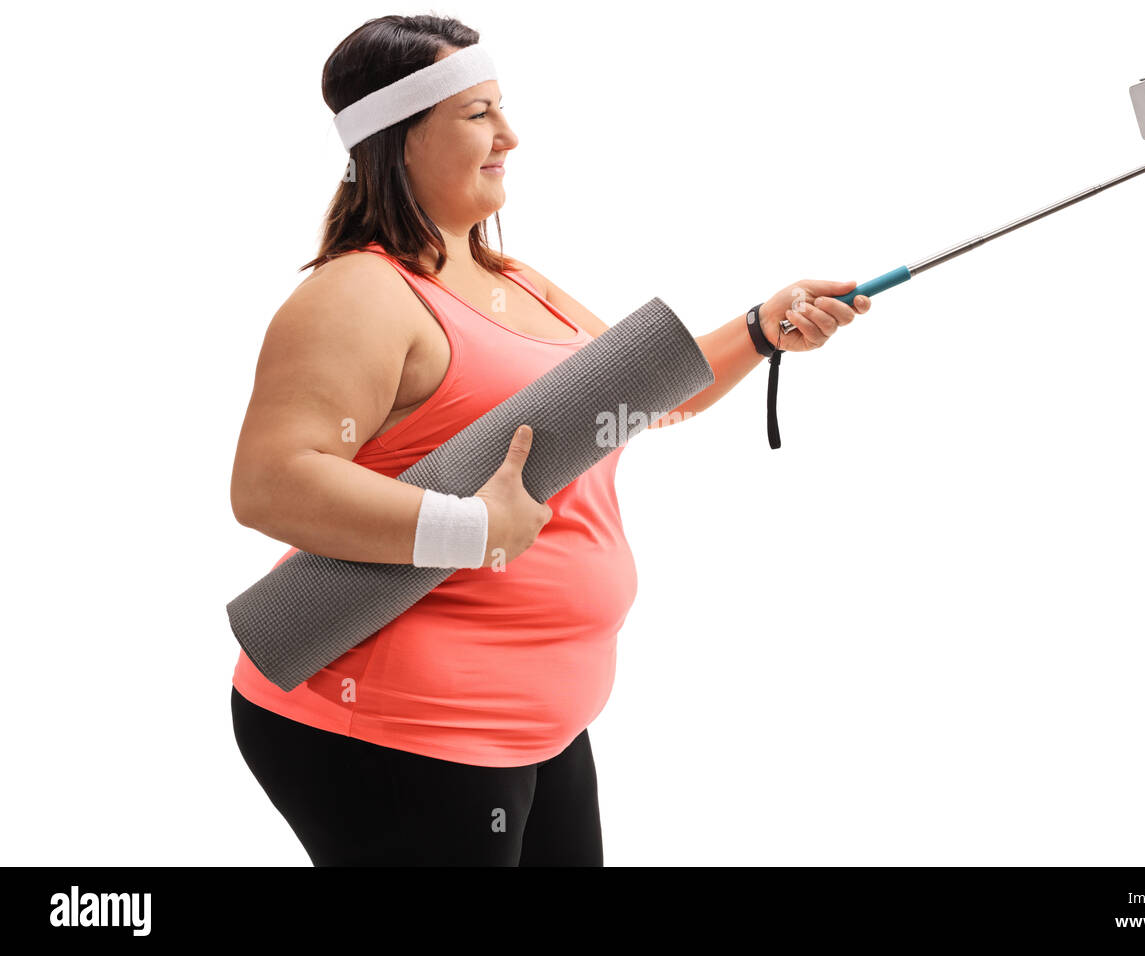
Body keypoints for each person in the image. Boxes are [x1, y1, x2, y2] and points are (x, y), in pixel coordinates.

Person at [228, 12, 871, 867]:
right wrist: (470, 528)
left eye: (502, 108)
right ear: (399, 138)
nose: (510, 136)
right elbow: (272, 486)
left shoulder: (514, 282)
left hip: (542, 725)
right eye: (476, 115)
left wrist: (760, 329)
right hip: (401, 727)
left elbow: (645, 401)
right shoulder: (359, 294)